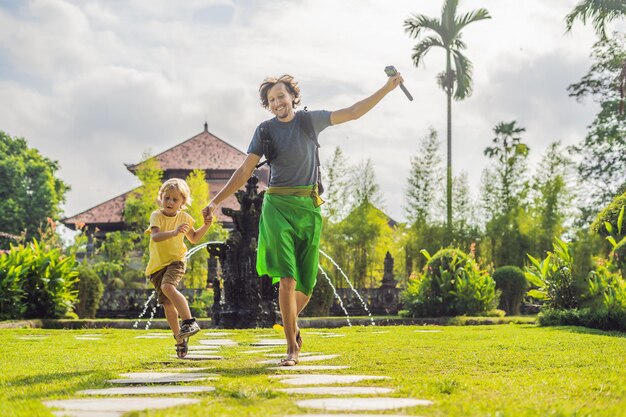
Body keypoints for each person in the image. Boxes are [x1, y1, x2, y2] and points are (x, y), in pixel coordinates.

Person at [202, 72, 404, 365]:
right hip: (277, 207)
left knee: (306, 286)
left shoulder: (310, 121)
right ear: (268, 106)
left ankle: (290, 324)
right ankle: (291, 348)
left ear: (293, 97)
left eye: (281, 96)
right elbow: (245, 171)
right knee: (287, 278)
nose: (278, 103)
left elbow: (353, 112)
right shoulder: (265, 131)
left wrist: (386, 88)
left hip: (309, 207)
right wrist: (215, 201)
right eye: (272, 100)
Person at [146, 178, 213, 358]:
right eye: (167, 198)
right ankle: (179, 339)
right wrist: (175, 232)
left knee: (168, 287)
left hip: (176, 261)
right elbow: (156, 237)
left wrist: (206, 224)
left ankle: (189, 321)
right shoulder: (156, 216)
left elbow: (194, 238)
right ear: (161, 197)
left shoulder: (184, 218)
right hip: (157, 266)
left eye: (175, 199)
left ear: (183, 202)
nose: (170, 202)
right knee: (167, 304)